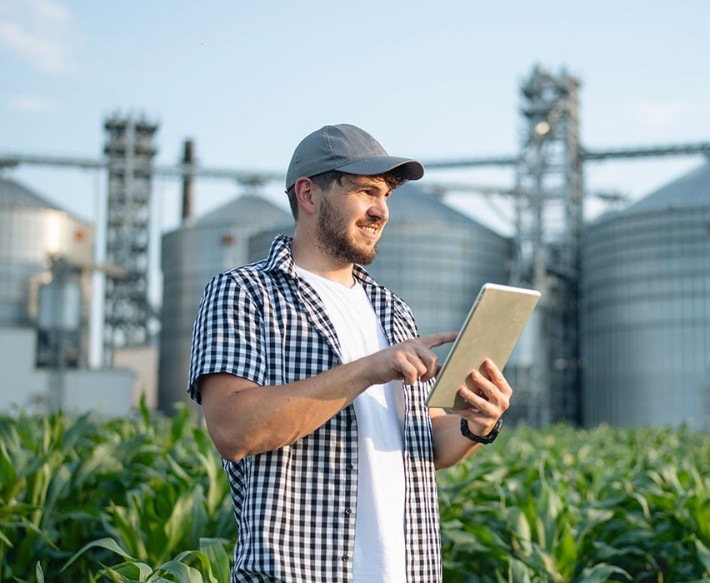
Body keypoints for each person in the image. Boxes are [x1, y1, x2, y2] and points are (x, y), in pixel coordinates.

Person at [188, 123, 513, 582]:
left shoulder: (393, 311)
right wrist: (368, 369)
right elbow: (234, 429)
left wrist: (476, 425)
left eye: (386, 196)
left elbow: (426, 445)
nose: (381, 211)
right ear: (308, 194)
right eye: (365, 191)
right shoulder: (244, 293)